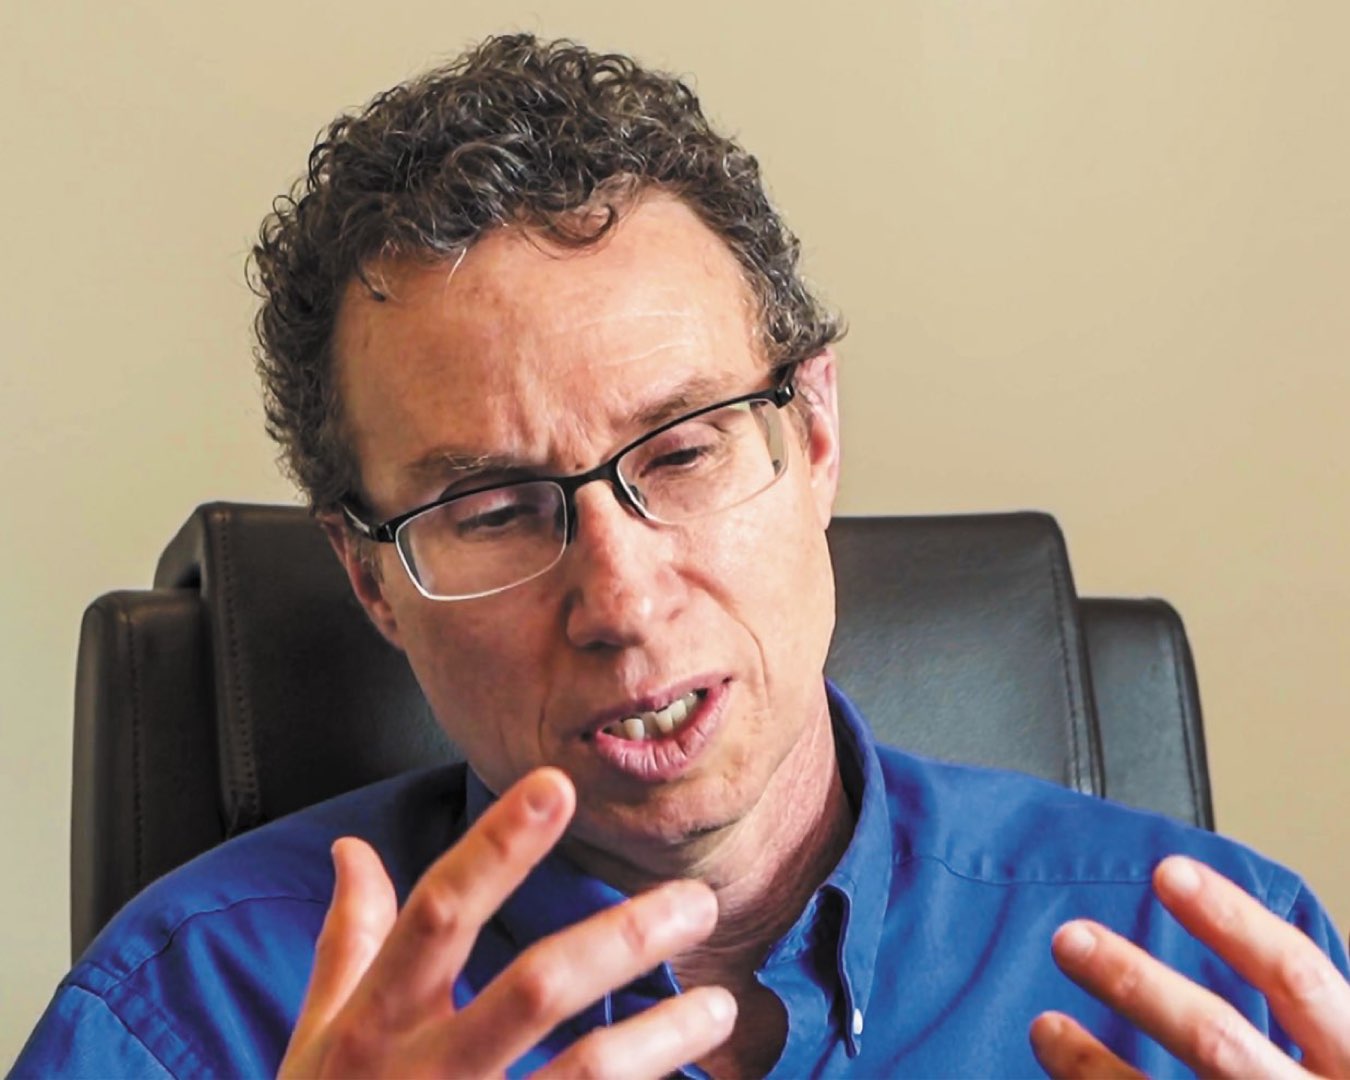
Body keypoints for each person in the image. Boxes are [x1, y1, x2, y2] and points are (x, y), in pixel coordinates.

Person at [14, 33, 1350, 1079]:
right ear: (371, 581)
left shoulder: (1212, 957)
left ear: (813, 432)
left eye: (685, 450)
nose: (620, 599)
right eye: (489, 509)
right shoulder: (186, 1011)